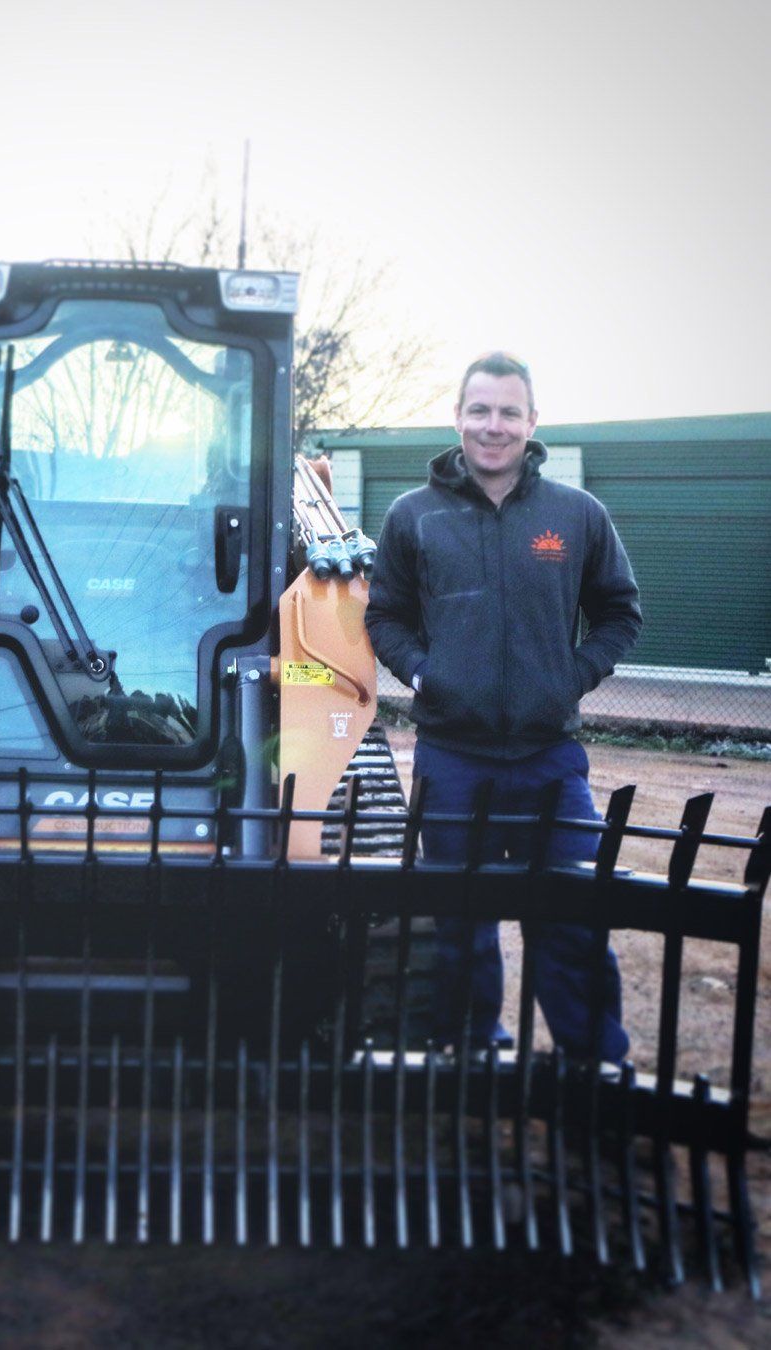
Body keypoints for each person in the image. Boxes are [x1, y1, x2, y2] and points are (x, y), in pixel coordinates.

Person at [365, 351, 641, 1063]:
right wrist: (424, 674)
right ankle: (470, 1052)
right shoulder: (413, 516)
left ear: (532, 421)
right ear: (457, 417)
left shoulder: (577, 515)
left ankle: (593, 1063)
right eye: (480, 410)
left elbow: (619, 612)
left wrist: (570, 677)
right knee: (460, 922)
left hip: (550, 758)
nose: (494, 426)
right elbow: (385, 616)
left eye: (509, 412)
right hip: (452, 759)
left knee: (573, 915)